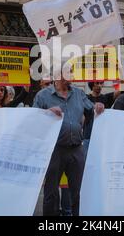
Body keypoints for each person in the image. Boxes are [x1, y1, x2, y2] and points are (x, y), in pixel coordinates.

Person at [33, 75, 104, 216]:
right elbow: (33, 118)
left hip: (77, 149)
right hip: (55, 150)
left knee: (78, 192)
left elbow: (91, 111)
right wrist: (47, 113)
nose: (70, 76)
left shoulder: (78, 93)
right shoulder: (43, 95)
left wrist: (98, 107)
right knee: (51, 193)